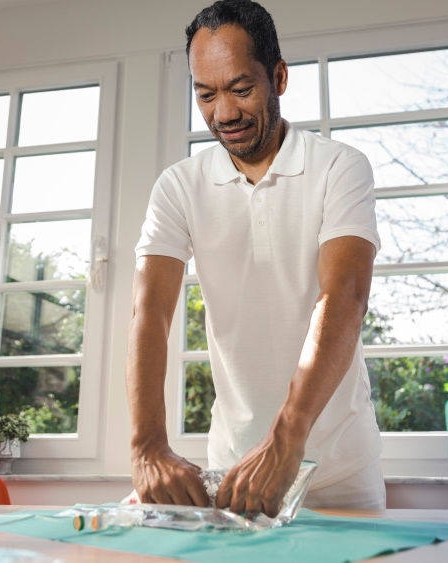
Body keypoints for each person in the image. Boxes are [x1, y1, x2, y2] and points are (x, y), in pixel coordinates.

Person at [127, 0, 384, 517]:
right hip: (234, 470)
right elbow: (150, 311)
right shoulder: (178, 187)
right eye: (206, 94)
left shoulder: (340, 168)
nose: (224, 113)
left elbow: (345, 298)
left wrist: (287, 440)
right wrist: (146, 446)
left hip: (340, 468)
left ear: (279, 78)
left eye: (241, 89)